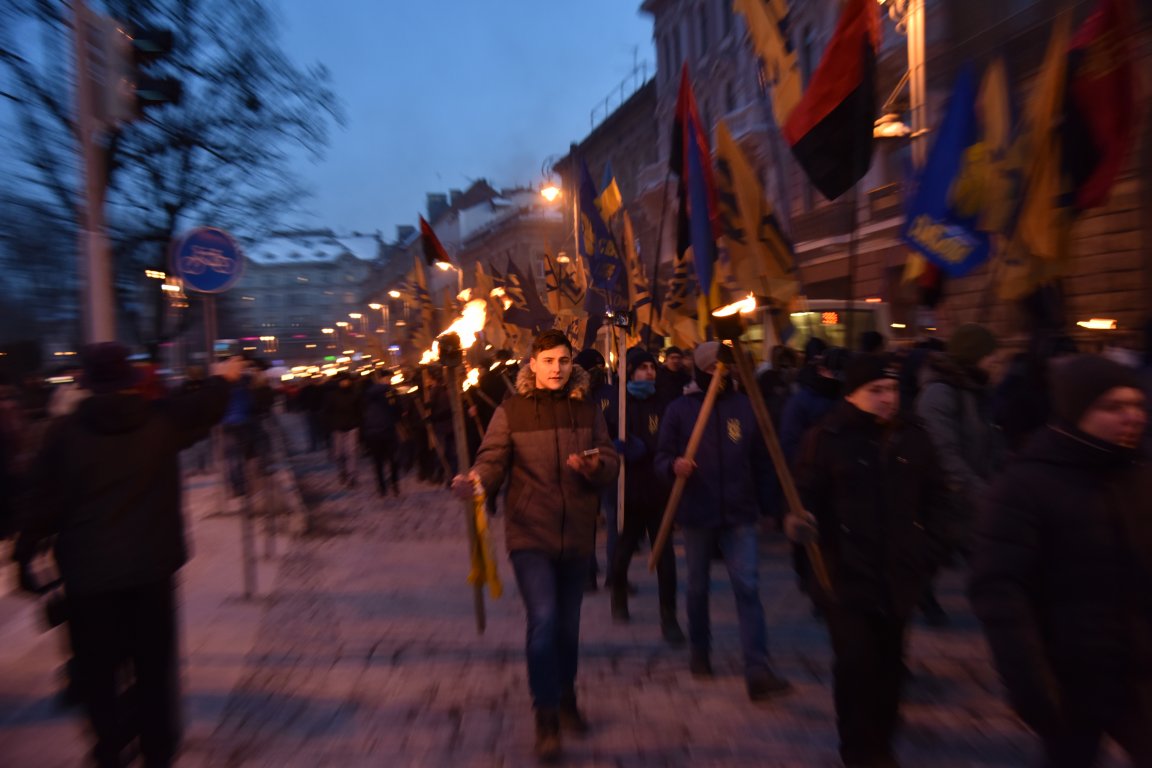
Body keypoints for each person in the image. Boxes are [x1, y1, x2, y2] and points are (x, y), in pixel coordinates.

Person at [13, 343, 242, 768]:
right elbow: (206, 407)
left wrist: (26, 556)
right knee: (153, 668)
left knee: (98, 672)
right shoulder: (160, 421)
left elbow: (42, 501)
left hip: (88, 577)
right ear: (131, 380)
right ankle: (157, 750)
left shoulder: (63, 434)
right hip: (151, 571)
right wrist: (223, 377)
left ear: (85, 381)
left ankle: (111, 748)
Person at [969, 355, 1152, 768]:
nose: (1132, 417)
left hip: (1140, 670)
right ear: (1077, 411)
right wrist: (1030, 682)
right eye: (1113, 407)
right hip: (1071, 675)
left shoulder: (1141, 476)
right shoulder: (1024, 485)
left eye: (1137, 405)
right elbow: (1000, 592)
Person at [452, 330, 618, 764]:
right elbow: (492, 460)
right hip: (530, 533)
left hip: (577, 533)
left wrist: (596, 464)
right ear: (532, 363)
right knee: (543, 620)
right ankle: (545, 713)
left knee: (568, 626)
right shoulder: (512, 410)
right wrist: (476, 482)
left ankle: (566, 698)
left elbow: (611, 459)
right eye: (548, 361)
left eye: (563, 361)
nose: (557, 369)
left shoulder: (587, 408)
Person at [789, 354, 946, 768]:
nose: (886, 398)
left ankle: (884, 743)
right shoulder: (825, 438)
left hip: (898, 575)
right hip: (844, 576)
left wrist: (927, 553)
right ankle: (859, 752)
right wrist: (801, 531)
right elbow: (805, 497)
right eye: (875, 391)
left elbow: (938, 499)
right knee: (857, 667)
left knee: (891, 667)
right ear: (854, 394)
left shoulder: (913, 436)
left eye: (891, 389)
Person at [655, 341, 791, 701]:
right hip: (697, 512)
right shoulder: (679, 410)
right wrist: (674, 466)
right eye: (715, 367)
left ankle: (757, 667)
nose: (723, 373)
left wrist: (770, 507)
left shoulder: (746, 407)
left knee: (747, 587)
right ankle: (700, 650)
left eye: (727, 367)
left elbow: (763, 459)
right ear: (701, 371)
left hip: (739, 511)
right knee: (697, 587)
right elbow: (662, 456)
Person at [914, 322, 1004, 625]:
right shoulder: (940, 394)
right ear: (973, 357)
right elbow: (943, 453)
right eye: (991, 357)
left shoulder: (976, 391)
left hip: (969, 492)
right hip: (947, 495)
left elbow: (988, 443)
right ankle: (921, 595)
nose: (996, 363)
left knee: (979, 557)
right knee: (940, 553)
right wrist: (979, 491)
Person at [607, 348, 684, 645]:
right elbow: (604, 438)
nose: (649, 372)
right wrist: (617, 447)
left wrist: (651, 450)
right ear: (631, 372)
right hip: (629, 489)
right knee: (624, 547)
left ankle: (669, 615)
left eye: (652, 367)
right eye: (642, 368)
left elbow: (670, 440)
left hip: (658, 488)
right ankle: (618, 594)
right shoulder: (618, 403)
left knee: (664, 553)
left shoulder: (663, 402)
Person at [362, 370, 401, 497]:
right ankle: (389, 485)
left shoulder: (372, 393)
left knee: (383, 461)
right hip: (382, 431)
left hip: (377, 431)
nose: (389, 381)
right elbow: (397, 410)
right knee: (388, 459)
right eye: (388, 378)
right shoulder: (387, 392)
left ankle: (385, 486)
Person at [323, 371, 362, 487]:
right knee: (339, 454)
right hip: (338, 428)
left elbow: (360, 411)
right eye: (343, 381)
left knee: (351, 453)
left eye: (347, 380)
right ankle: (342, 471)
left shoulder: (355, 394)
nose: (345, 383)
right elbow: (327, 412)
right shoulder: (332, 396)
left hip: (352, 427)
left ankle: (352, 477)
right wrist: (329, 426)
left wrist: (359, 423)